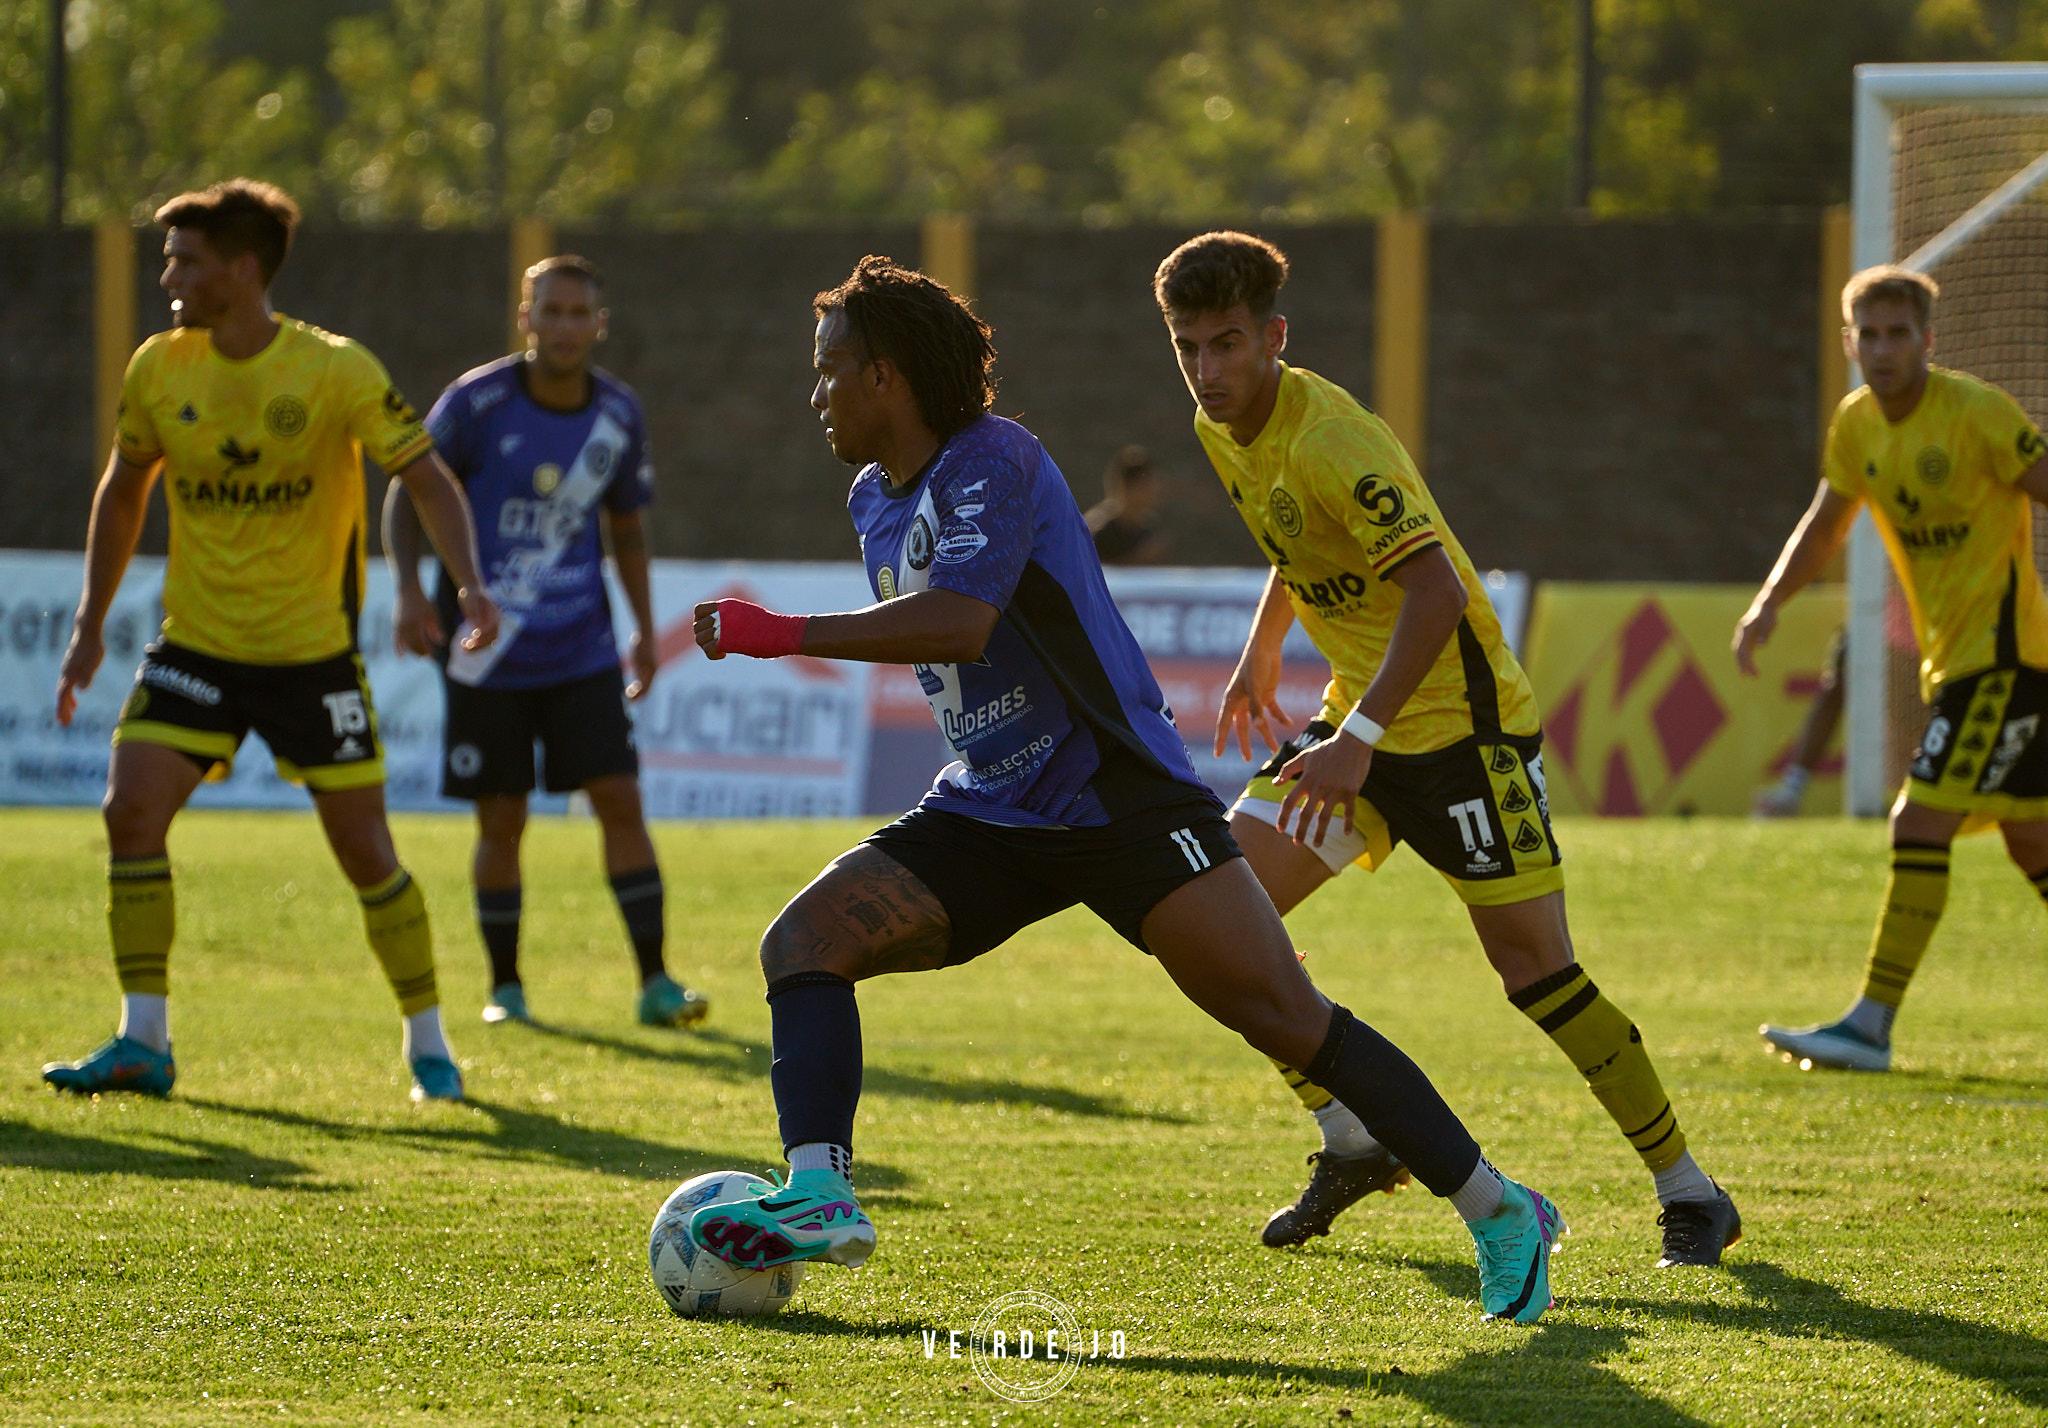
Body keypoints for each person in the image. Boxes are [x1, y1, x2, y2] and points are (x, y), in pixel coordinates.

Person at [679, 255, 1563, 1323]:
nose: (812, 392)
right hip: (992, 804)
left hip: (1117, 797)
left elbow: (961, 621)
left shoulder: (992, 460)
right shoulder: (873, 496)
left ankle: (1497, 1208)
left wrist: (778, 632)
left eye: (826, 370)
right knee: (803, 944)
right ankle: (819, 1192)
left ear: (885, 377)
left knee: (1283, 1015)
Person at [1154, 231, 1738, 1267]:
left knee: (1535, 975)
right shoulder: (1219, 427)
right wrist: (1259, 651)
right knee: (1210, 924)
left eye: (1227, 344)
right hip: (1357, 723)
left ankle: (1688, 1190)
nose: (1206, 371)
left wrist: (1360, 740)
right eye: (1187, 346)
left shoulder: (1334, 435)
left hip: (1462, 734)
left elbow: (1435, 591)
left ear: (1273, 337)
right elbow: (1303, 544)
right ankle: (1351, 1135)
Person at [42, 179, 499, 1103]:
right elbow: (123, 491)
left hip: (310, 659)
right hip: (197, 648)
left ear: (242, 270)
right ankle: (144, 1042)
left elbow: (426, 476)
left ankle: (429, 1044)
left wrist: (468, 582)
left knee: (367, 852)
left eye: (187, 260)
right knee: (129, 813)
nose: (168, 275)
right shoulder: (158, 369)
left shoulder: (334, 371)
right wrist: (91, 625)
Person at [1738, 265, 2048, 1071]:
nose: (1882, 349)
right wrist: (1769, 604)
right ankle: (1869, 1025)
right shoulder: (1856, 427)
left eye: (1898, 333)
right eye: (1867, 335)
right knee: (2032, 841)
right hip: (1957, 664)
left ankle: (1870, 1025)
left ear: (1927, 340)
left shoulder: (1978, 415)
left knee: (1917, 822)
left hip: (2005, 660)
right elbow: (1823, 526)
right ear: (1849, 342)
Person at [386, 255, 708, 1030]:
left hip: (581, 649)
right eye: (550, 311)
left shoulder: (619, 416)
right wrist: (404, 589)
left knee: (620, 803)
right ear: (525, 317)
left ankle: (656, 982)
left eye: (579, 314)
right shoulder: (476, 403)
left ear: (599, 325)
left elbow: (626, 529)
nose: (564, 326)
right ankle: (506, 988)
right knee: (501, 820)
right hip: (483, 648)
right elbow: (408, 488)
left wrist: (641, 629)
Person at [1753, 626, 1845, 817]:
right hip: (1879, 621)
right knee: (1836, 685)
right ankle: (1792, 790)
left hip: (1917, 628)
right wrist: (1769, 602)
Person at [1085, 444, 1169, 564]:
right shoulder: (1098, 530)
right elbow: (1090, 573)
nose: (1153, 492)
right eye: (1145, 486)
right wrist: (1139, 557)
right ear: (1126, 487)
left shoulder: (1147, 529)